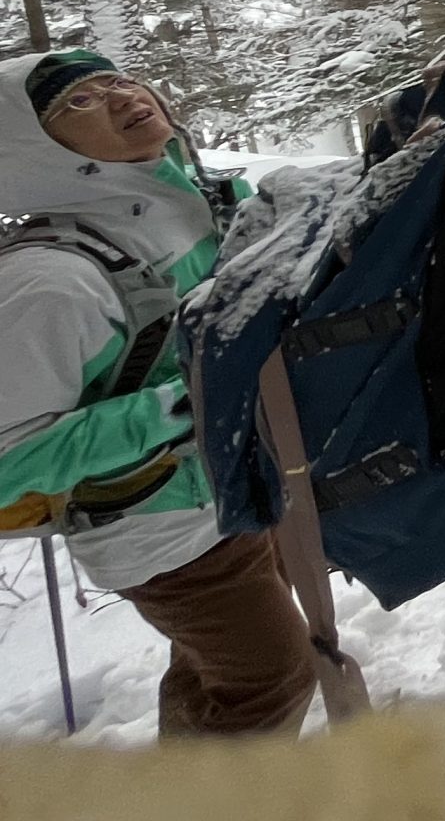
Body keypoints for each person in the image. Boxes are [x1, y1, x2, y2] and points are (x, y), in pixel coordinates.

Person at [0, 46, 318, 736]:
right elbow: (7, 462)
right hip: (162, 530)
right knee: (270, 680)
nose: (119, 95)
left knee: (220, 667)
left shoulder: (184, 202)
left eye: (115, 78)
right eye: (76, 102)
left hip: (234, 481)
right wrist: (183, 406)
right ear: (29, 149)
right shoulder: (49, 282)